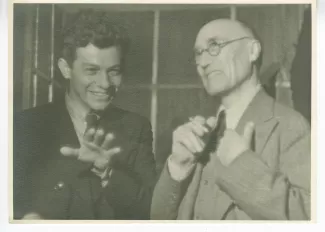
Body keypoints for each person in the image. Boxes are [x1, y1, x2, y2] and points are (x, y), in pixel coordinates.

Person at [151, 19, 311, 220]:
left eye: (215, 46)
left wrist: (241, 166)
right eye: (198, 53)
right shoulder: (200, 134)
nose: (203, 62)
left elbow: (309, 217)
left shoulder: (290, 126)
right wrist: (177, 168)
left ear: (252, 51)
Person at [13, 10, 156, 220]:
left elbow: (151, 211)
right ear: (65, 68)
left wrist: (108, 173)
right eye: (92, 70)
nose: (105, 83)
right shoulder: (24, 126)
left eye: (113, 71)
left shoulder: (137, 128)